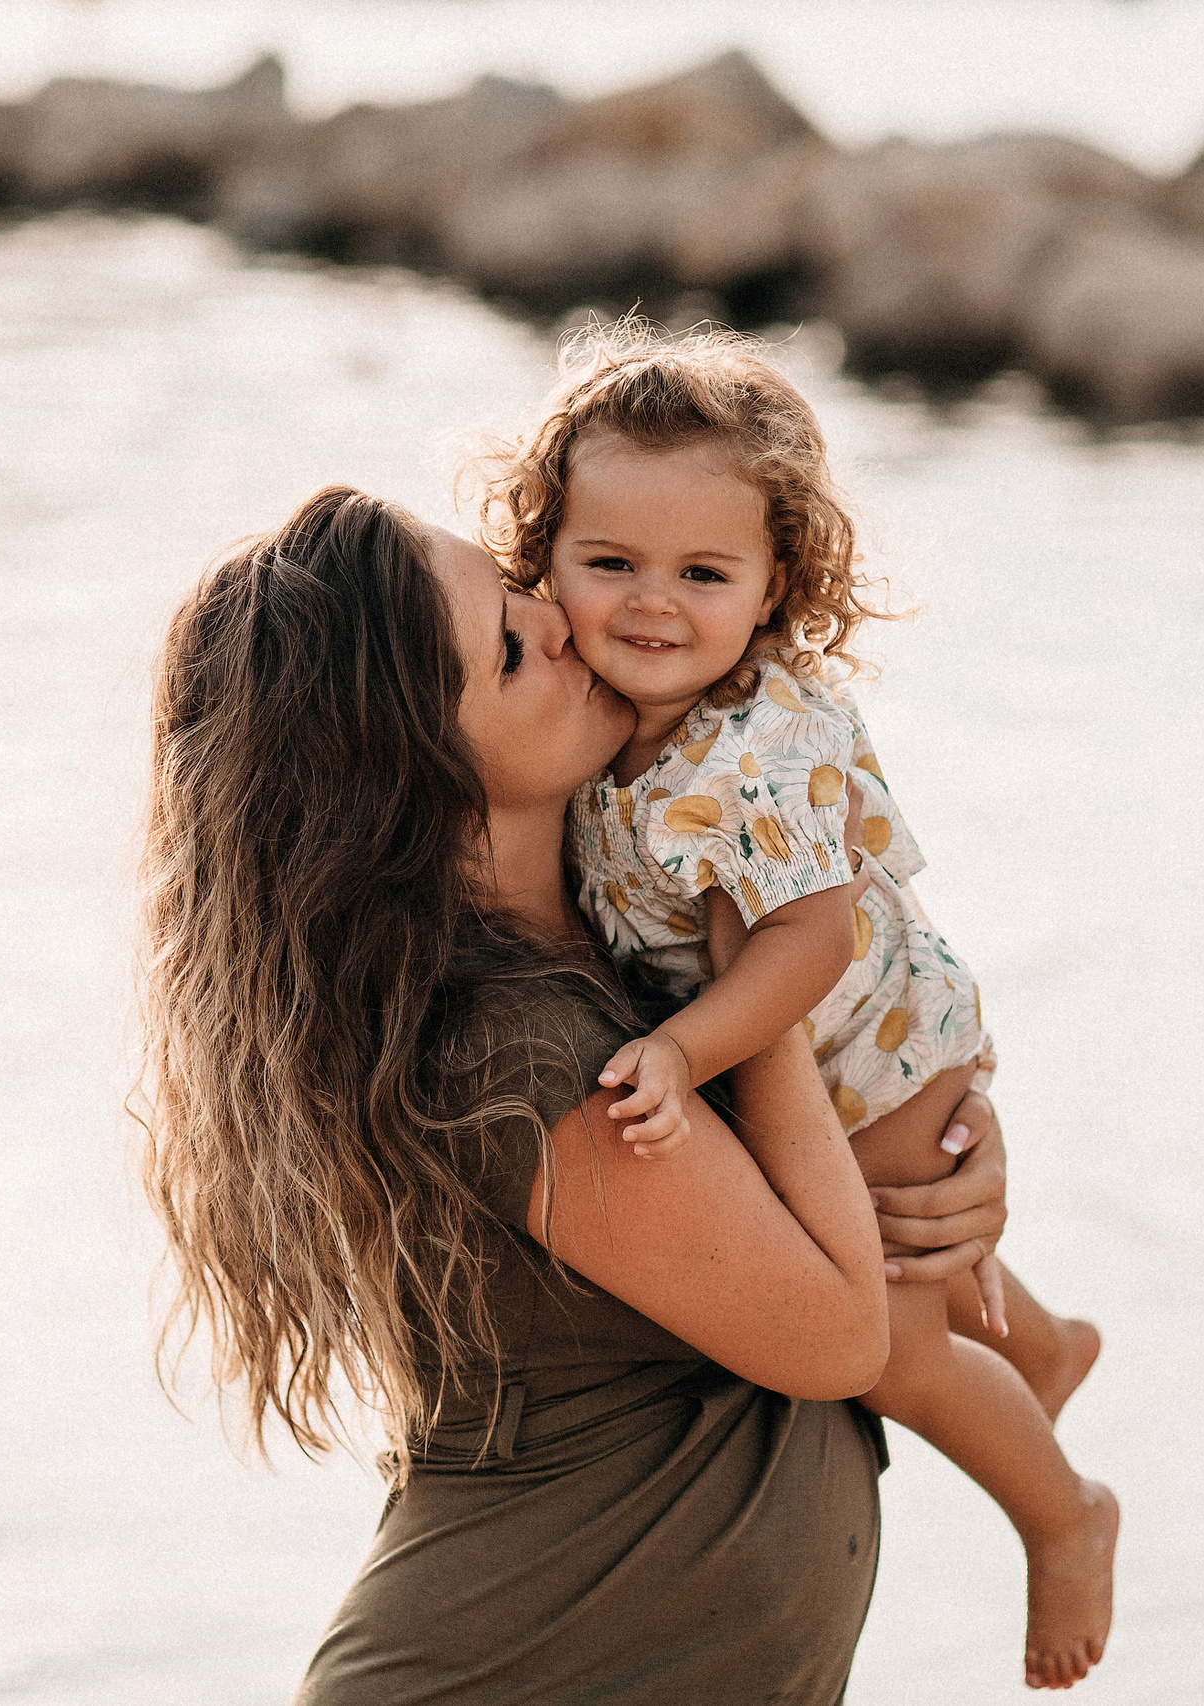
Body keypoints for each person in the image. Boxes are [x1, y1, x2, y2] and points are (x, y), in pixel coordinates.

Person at [136, 486, 1014, 1704]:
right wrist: (755, 999)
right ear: (410, 770)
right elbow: (836, 1334)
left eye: (518, 589)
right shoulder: (511, 1059)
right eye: (508, 646)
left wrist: (949, 1141)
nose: (556, 617)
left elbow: (816, 1163)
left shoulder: (617, 943)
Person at [481, 325, 1118, 1689]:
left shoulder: (748, 750)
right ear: (544, 559)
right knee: (918, 1255)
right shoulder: (614, 713)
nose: (652, 605)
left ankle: (1063, 1512)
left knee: (894, 1348)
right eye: (609, 563)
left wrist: (677, 1046)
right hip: (847, 1056)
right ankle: (1046, 1344)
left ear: (775, 587)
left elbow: (808, 941)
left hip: (872, 1057)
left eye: (703, 574)